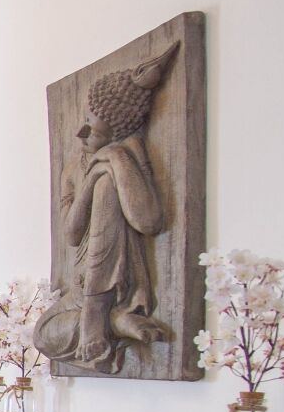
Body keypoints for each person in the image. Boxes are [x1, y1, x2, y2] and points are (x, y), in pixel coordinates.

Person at [36, 42, 180, 374]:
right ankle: (114, 322)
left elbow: (148, 221)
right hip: (80, 287)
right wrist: (91, 178)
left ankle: (97, 315)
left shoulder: (128, 155)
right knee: (43, 336)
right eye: (85, 121)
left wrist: (115, 159)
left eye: (94, 130)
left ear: (118, 133)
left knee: (107, 188)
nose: (81, 133)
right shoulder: (73, 169)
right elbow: (71, 234)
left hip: (120, 282)